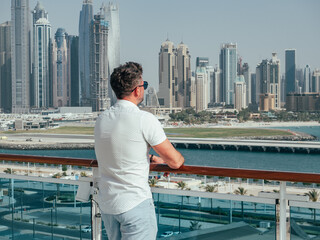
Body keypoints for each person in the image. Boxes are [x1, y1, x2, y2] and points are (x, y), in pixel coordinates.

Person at [94, 61, 184, 240]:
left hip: (108, 206)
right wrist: (161, 159)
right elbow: (175, 161)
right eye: (144, 85)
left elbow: (119, 148)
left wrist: (149, 157)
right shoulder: (144, 119)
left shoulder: (101, 119)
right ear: (138, 90)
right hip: (135, 204)